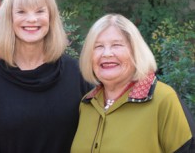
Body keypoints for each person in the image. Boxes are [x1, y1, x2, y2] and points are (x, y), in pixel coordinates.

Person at [0, 0, 92, 153]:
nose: (32, 19)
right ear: (9, 19)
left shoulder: (77, 73)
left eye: (40, 11)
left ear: (50, 17)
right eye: (21, 11)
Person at [71, 13, 195, 153]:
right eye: (98, 46)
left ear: (135, 52)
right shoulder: (87, 104)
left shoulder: (163, 99)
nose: (106, 53)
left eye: (116, 45)